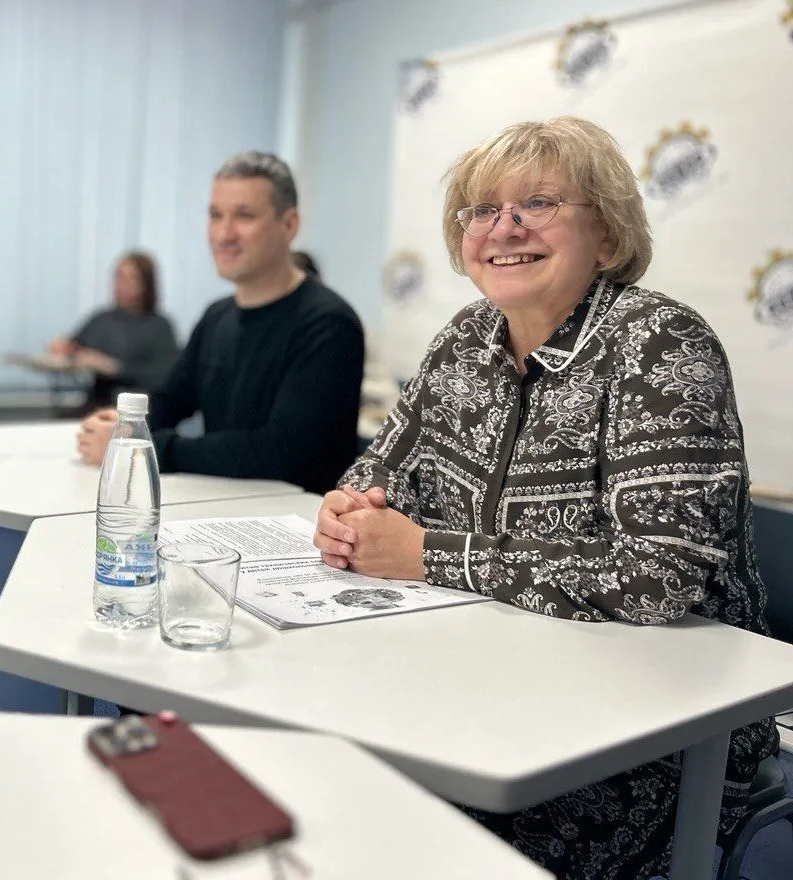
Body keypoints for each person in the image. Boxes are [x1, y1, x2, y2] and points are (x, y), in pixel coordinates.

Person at [312, 117, 778, 879]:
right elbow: (380, 474)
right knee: (323, 774)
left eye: (539, 203)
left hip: (662, 729)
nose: (505, 228)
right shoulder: (464, 338)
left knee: (410, 831)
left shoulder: (661, 343)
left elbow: (656, 576)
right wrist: (349, 512)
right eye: (482, 210)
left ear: (608, 235)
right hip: (490, 679)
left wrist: (428, 554)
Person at [77, 151, 364, 493]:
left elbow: (282, 453)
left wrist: (146, 449)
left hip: (295, 518)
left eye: (244, 216)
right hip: (220, 506)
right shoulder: (217, 316)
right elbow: (169, 402)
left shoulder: (329, 324)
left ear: (289, 226)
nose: (224, 234)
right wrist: (125, 426)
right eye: (216, 215)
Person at [46, 252, 178, 410]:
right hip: (96, 407)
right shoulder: (101, 319)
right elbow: (75, 346)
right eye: (118, 277)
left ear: (146, 284)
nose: (121, 284)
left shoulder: (160, 326)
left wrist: (114, 367)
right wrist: (64, 347)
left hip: (137, 412)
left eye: (130, 278)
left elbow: (163, 377)